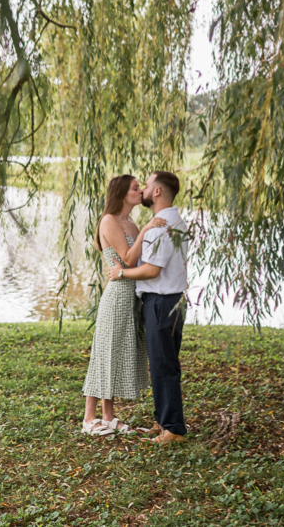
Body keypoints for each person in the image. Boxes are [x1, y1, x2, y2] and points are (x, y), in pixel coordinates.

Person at [81, 175, 166, 436]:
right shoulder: (109, 220)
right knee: (105, 353)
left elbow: (139, 261)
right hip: (117, 296)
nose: (140, 191)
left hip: (132, 296)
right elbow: (129, 260)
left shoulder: (129, 221)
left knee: (116, 354)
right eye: (134, 188)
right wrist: (148, 229)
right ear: (121, 193)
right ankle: (88, 419)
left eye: (141, 187)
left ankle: (108, 417)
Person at [108, 171, 188, 445]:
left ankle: (174, 429)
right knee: (164, 363)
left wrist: (120, 274)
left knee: (163, 365)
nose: (142, 189)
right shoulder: (176, 221)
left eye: (147, 185)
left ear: (157, 192)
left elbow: (151, 270)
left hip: (160, 303)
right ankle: (163, 421)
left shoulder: (161, 226)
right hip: (173, 301)